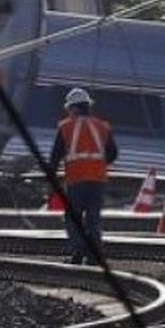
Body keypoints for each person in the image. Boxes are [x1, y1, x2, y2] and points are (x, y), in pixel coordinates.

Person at [48, 87, 118, 265]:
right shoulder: (102, 126)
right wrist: (98, 165)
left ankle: (79, 251)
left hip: (76, 180)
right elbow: (112, 153)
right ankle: (94, 256)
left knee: (73, 218)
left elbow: (55, 156)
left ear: (73, 108)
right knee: (93, 219)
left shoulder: (66, 127)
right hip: (98, 180)